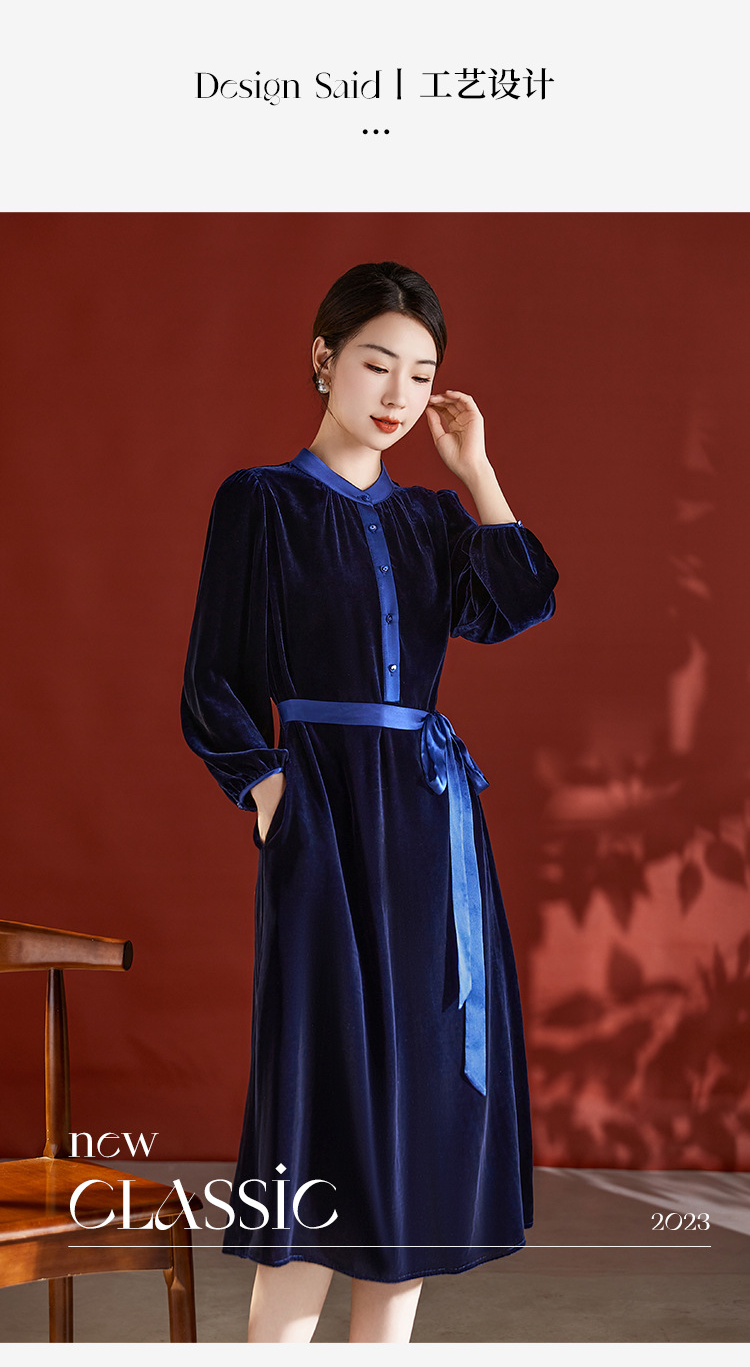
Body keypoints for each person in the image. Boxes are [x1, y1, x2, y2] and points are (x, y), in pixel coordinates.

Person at [180, 261, 559, 1343]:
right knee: (323, 1092)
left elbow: (521, 599)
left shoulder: (435, 519)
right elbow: (210, 681)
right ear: (324, 359)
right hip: (322, 818)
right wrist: (269, 789)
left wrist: (477, 470)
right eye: (376, 363)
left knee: (422, 1097)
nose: (398, 393)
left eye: (422, 374)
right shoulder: (261, 502)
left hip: (433, 831)